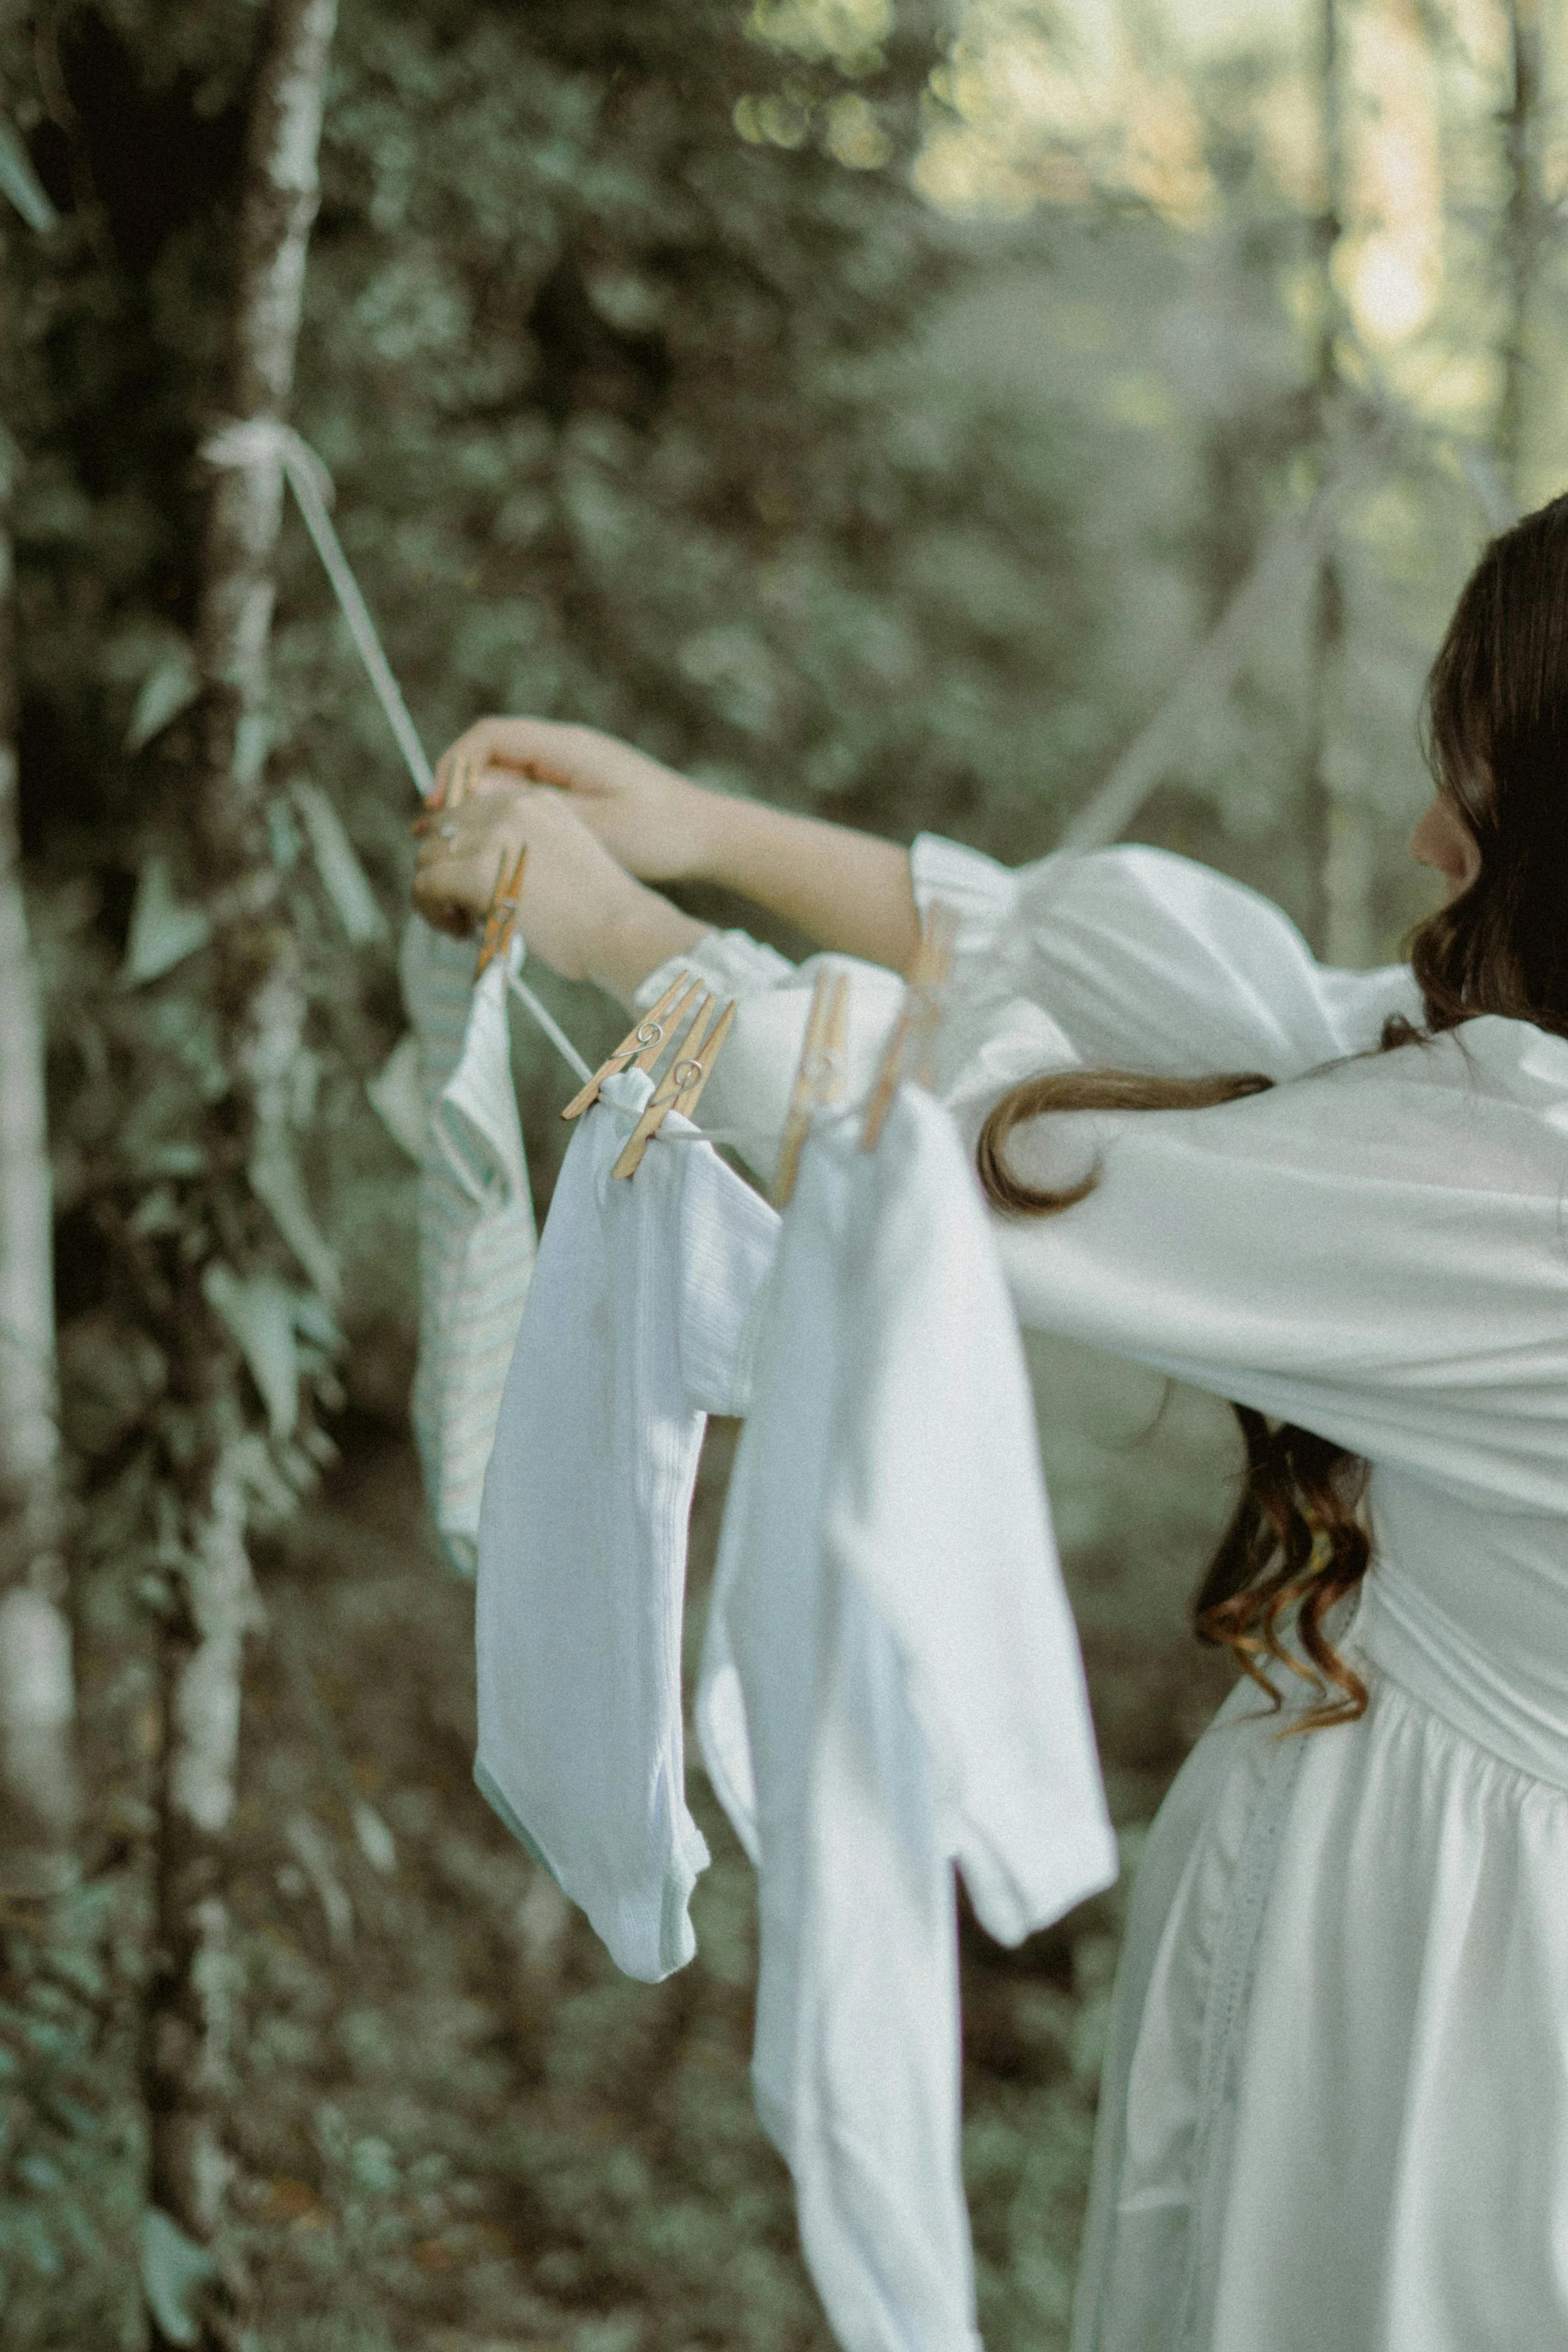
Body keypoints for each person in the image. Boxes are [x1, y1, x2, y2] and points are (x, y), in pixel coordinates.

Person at [411, 494, 1568, 2351]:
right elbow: (1241, 1003)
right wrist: (707, 832)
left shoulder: (1529, 1197)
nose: (1433, 840)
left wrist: (631, 933)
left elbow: (978, 1178)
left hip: (1465, 2005)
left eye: (1483, 804)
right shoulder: (1507, 1117)